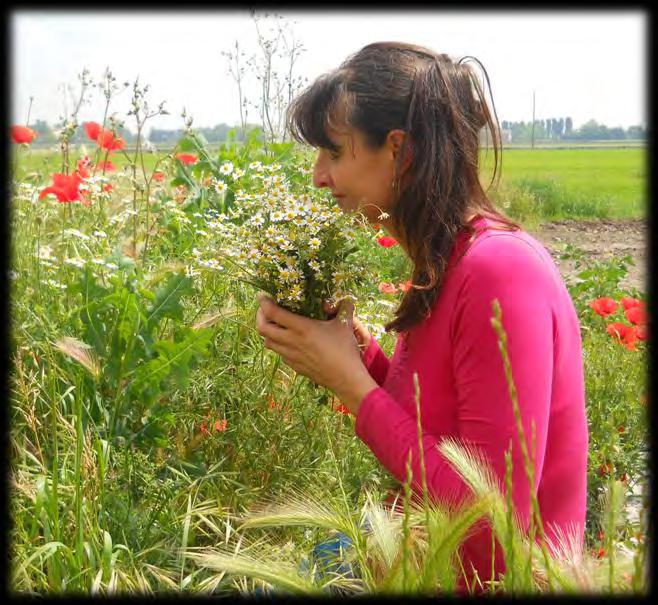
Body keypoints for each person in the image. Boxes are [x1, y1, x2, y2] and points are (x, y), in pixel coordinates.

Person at [255, 41, 588, 592]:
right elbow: (442, 429)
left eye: (334, 152)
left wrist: (353, 386)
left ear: (400, 152)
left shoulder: (498, 272)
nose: (318, 175)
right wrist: (357, 353)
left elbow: (490, 529)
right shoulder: (448, 262)